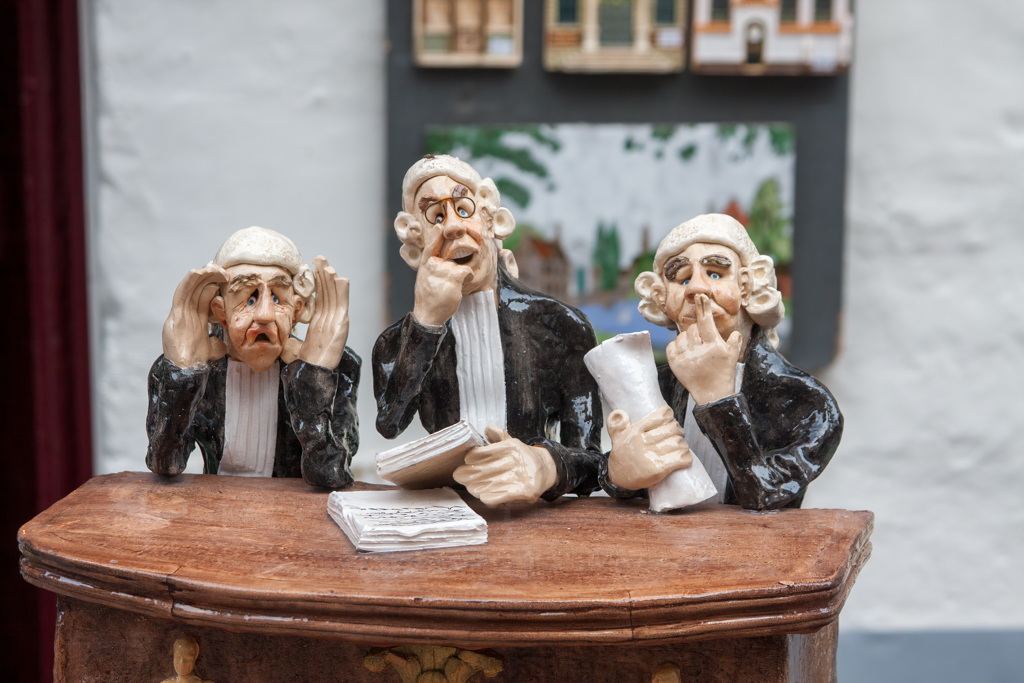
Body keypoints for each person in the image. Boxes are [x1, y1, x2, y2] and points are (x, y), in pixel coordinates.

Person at [373, 155, 603, 505]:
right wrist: (427, 326)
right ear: (417, 247)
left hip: (536, 514)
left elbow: (592, 463)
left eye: (462, 210)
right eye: (436, 216)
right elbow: (390, 423)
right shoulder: (397, 344)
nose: (451, 227)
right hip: (449, 510)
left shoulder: (561, 327)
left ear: (493, 221)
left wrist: (546, 465)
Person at [602, 213, 843, 510]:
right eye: (682, 279)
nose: (696, 289)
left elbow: (764, 494)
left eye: (715, 273)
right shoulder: (653, 386)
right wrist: (617, 475)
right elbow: (612, 472)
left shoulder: (808, 404)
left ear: (745, 285)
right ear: (663, 299)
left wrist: (718, 400)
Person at [146, 226, 359, 488]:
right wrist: (184, 374)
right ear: (221, 313)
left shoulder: (335, 372)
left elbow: (330, 476)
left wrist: (313, 376)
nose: (266, 315)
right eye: (249, 299)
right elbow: (165, 464)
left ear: (297, 311)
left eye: (278, 298)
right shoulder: (187, 374)